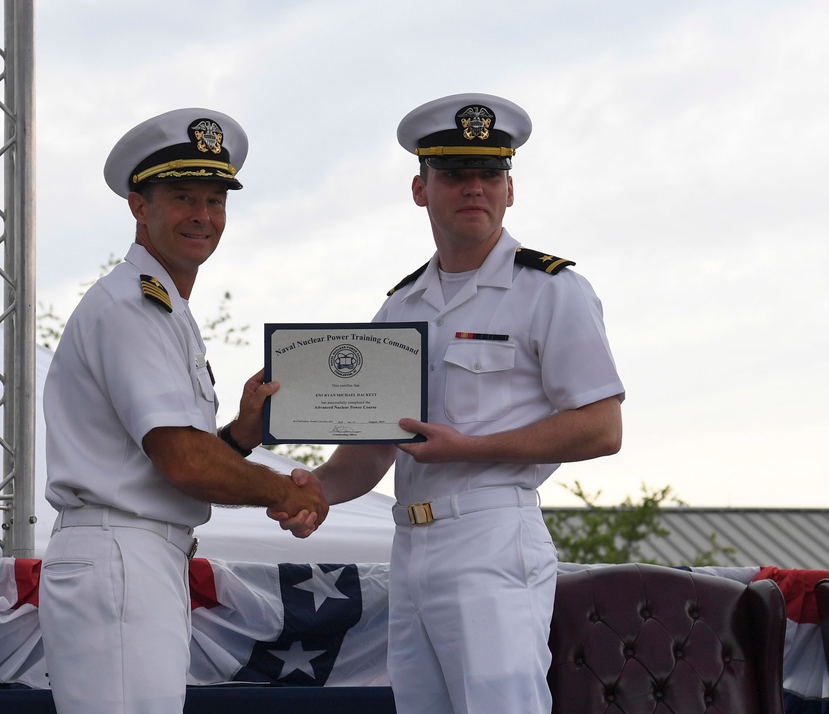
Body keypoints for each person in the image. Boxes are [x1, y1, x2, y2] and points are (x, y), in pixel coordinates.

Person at [272, 93, 625, 714]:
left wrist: (473, 449)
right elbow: (376, 445)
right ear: (420, 188)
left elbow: (602, 426)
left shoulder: (551, 289)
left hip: (492, 533)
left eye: (491, 174)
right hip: (410, 542)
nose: (475, 189)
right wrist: (313, 491)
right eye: (455, 174)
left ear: (509, 190)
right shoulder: (401, 306)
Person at [38, 107, 328, 714]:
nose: (203, 215)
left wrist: (242, 437)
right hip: (122, 556)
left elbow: (178, 454)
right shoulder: (132, 307)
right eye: (181, 196)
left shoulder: (165, 307)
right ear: (138, 206)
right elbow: (184, 463)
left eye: (215, 200)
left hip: (138, 557)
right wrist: (286, 490)